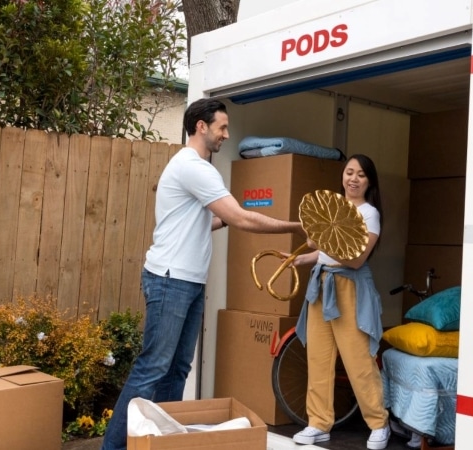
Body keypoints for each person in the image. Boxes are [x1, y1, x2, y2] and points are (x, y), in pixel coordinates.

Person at [101, 98, 304, 450]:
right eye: (222, 127)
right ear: (201, 126)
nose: (226, 135)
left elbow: (208, 220)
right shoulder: (194, 167)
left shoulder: (194, 169)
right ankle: (114, 448)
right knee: (153, 368)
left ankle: (158, 443)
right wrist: (295, 227)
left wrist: (235, 213)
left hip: (187, 281)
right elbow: (240, 218)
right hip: (170, 279)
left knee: (177, 370)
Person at [285, 154, 390, 450]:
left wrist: (320, 242)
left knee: (359, 361)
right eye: (349, 173)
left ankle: (378, 423)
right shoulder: (331, 210)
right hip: (322, 283)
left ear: (369, 182)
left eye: (361, 175)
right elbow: (324, 254)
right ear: (342, 176)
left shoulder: (369, 214)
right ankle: (318, 424)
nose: (353, 179)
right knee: (318, 359)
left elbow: (356, 260)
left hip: (350, 286)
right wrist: (299, 259)